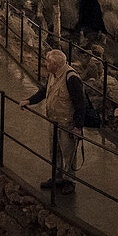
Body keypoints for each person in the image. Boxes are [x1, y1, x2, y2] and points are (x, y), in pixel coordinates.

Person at [19, 49, 86, 193]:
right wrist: (29, 101)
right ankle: (58, 177)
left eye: (47, 61)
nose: (45, 64)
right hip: (53, 120)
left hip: (67, 123)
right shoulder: (53, 74)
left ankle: (70, 181)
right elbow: (45, 91)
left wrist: (78, 127)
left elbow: (81, 104)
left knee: (68, 153)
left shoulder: (71, 78)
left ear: (55, 64)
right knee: (55, 151)